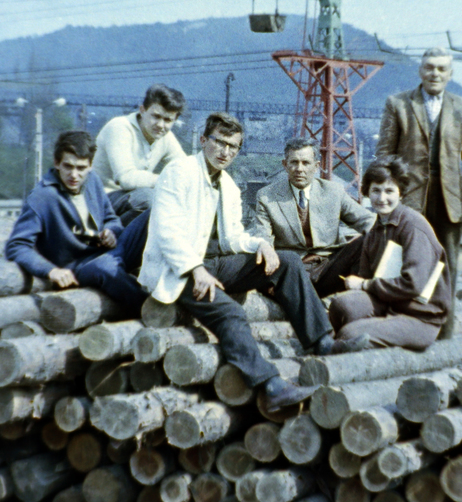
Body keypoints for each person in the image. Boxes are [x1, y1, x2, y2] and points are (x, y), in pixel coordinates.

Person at [136, 112, 340, 415]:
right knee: (229, 310)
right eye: (219, 143)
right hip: (177, 268)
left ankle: (322, 342)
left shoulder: (229, 185)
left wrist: (262, 245)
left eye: (233, 147)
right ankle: (270, 386)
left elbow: (232, 237)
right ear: (204, 141)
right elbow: (168, 232)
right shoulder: (179, 172)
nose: (225, 152)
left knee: (287, 261)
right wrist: (196, 269)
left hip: (214, 262)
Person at [376, 47, 462, 336]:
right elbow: (384, 155)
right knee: (403, 265)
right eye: (429, 67)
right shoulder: (398, 104)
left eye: (442, 68)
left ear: (450, 74)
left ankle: (443, 336)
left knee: (446, 270)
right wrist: (386, 196)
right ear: (420, 70)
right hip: (409, 201)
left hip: (449, 203)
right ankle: (398, 329)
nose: (435, 73)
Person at [4, 129, 148, 315]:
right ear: (57, 163)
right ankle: (148, 308)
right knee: (104, 267)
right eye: (68, 166)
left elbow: (111, 218)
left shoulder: (92, 180)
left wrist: (111, 231)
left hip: (110, 250)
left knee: (153, 211)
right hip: (82, 265)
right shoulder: (42, 197)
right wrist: (51, 271)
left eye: (81, 168)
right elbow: (17, 246)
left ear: (90, 166)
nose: (74, 175)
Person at [327, 155, 452, 352]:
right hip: (386, 304)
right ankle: (349, 342)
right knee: (342, 306)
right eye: (375, 190)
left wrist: (365, 284)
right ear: (367, 192)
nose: (382, 198)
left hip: (419, 316)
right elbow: (366, 278)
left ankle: (346, 348)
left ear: (401, 193)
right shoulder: (375, 231)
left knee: (351, 334)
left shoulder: (413, 227)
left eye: (389, 191)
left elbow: (413, 284)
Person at [249, 138, 376, 281]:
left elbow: (366, 220)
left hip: (330, 264)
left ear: (316, 166)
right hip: (293, 267)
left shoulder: (333, 191)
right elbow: (262, 234)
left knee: (369, 239)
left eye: (305, 163)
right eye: (294, 162)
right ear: (285, 165)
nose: (299, 169)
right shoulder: (267, 196)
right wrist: (266, 248)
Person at [93, 84, 187, 223]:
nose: (161, 125)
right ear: (142, 110)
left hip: (129, 201)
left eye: (167, 120)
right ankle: (114, 242)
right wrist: (167, 180)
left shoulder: (165, 137)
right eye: (156, 116)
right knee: (149, 199)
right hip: (100, 200)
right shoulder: (120, 127)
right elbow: (126, 178)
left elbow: (186, 169)